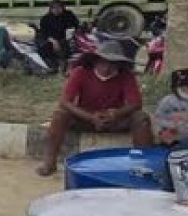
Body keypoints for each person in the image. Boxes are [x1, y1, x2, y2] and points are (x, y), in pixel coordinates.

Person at [35, 40, 154, 176]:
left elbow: (136, 103)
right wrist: (90, 117)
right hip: (85, 117)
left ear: (119, 64)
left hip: (114, 119)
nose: (107, 67)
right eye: (103, 62)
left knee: (141, 118)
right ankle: (49, 162)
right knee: (59, 115)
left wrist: (117, 113)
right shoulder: (80, 72)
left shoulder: (126, 76)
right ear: (95, 61)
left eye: (112, 63)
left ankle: (143, 164)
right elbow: (65, 102)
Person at [153, 68, 188, 143]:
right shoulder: (167, 101)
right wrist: (171, 126)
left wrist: (187, 126)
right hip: (171, 131)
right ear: (176, 87)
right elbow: (158, 118)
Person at [36, 0, 80, 70]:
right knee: (44, 48)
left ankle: (66, 65)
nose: (56, 10)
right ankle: (52, 65)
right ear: (50, 9)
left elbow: (75, 26)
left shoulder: (68, 15)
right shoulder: (46, 19)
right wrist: (54, 42)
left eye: (59, 7)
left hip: (66, 39)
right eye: (54, 8)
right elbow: (44, 33)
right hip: (51, 40)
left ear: (63, 7)